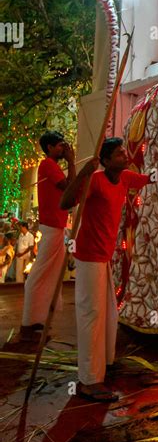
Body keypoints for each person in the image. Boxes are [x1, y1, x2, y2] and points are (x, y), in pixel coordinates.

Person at [60, 137, 158, 402]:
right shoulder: (96, 181)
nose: (125, 155)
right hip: (89, 258)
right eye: (119, 153)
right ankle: (88, 380)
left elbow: (151, 177)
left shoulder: (124, 178)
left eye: (124, 151)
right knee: (91, 315)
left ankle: (104, 364)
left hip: (105, 257)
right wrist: (82, 174)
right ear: (107, 160)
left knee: (109, 313)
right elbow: (66, 203)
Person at [18, 131, 76, 341]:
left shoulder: (52, 166)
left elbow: (70, 191)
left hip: (56, 227)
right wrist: (71, 162)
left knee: (51, 275)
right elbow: (70, 188)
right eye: (60, 145)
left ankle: (38, 320)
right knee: (40, 275)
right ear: (50, 148)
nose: (64, 148)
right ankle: (28, 323)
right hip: (52, 227)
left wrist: (71, 163)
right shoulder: (48, 165)